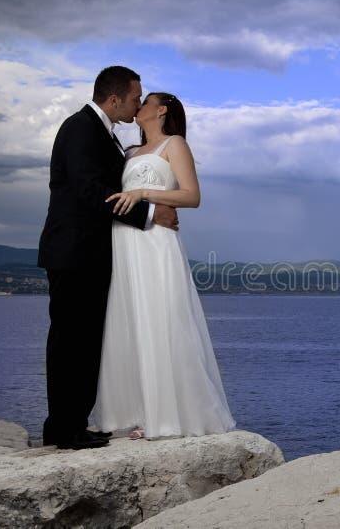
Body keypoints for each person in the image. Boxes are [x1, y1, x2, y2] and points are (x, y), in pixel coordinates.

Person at [38, 66, 179, 450]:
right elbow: (88, 189)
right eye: (135, 98)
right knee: (70, 342)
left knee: (85, 342)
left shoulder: (107, 135)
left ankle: (72, 425)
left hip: (93, 254)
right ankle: (64, 430)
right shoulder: (80, 127)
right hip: (73, 252)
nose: (138, 105)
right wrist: (149, 215)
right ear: (114, 98)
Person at [90, 92, 236, 439]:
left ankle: (167, 416)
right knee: (130, 320)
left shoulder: (174, 144)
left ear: (161, 110)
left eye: (145, 101)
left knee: (161, 319)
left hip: (156, 243)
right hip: (125, 243)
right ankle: (136, 412)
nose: (137, 106)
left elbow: (191, 196)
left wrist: (143, 194)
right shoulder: (127, 153)